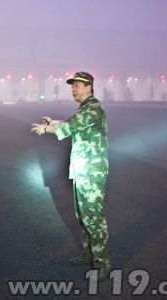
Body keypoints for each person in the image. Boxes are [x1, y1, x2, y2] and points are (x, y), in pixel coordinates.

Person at [31, 71, 111, 281]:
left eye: (77, 85)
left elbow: (72, 126)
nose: (73, 89)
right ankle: (89, 253)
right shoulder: (85, 108)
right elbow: (73, 122)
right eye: (73, 85)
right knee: (83, 216)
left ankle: (103, 263)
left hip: (92, 172)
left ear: (89, 87)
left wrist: (47, 128)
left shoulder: (93, 107)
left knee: (93, 217)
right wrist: (54, 121)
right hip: (83, 170)